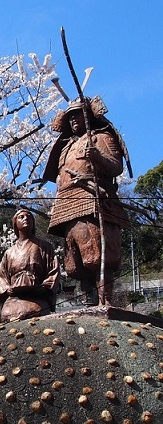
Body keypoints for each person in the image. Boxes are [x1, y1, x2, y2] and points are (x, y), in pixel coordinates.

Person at [43, 96, 131, 306]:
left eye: (77, 116)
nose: (74, 121)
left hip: (92, 198)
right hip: (67, 203)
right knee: (76, 263)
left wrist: (98, 156)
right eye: (70, 117)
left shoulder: (102, 137)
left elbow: (117, 166)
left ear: (88, 116)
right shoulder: (65, 146)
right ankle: (89, 300)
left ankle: (104, 299)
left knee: (98, 255)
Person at [0, 209, 60, 322]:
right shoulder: (9, 253)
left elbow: (53, 271)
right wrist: (7, 289)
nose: (26, 218)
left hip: (36, 297)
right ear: (15, 223)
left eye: (29, 217)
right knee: (6, 314)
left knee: (34, 311)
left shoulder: (44, 247)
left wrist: (44, 287)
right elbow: (2, 277)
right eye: (21, 217)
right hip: (14, 298)